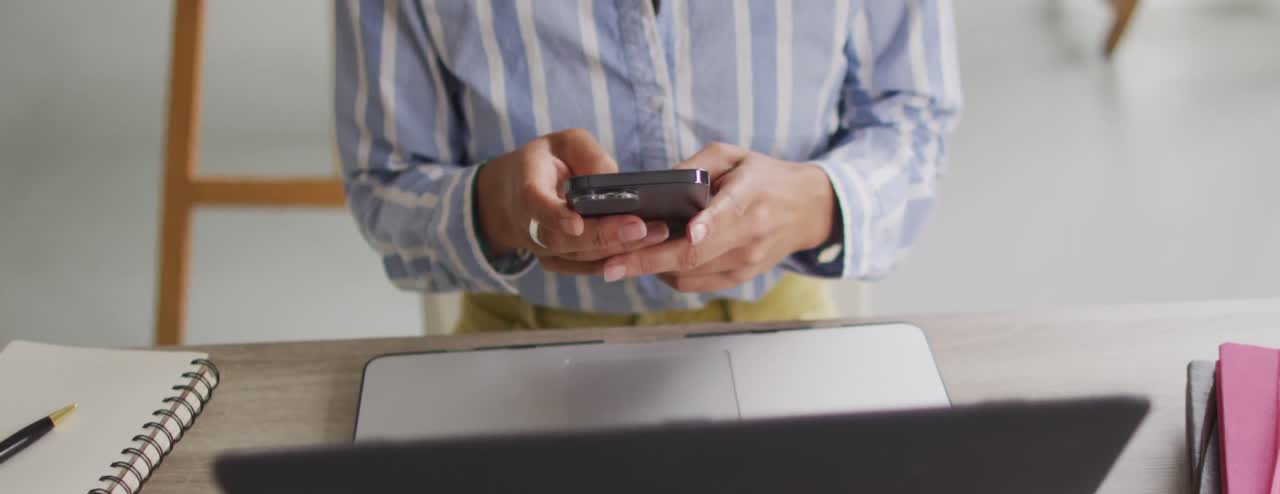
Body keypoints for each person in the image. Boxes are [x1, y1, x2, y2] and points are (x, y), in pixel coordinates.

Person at [334, 1, 960, 332]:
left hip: (787, 337)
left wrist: (816, 202)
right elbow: (384, 178)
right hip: (515, 350)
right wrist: (498, 205)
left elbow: (914, 117)